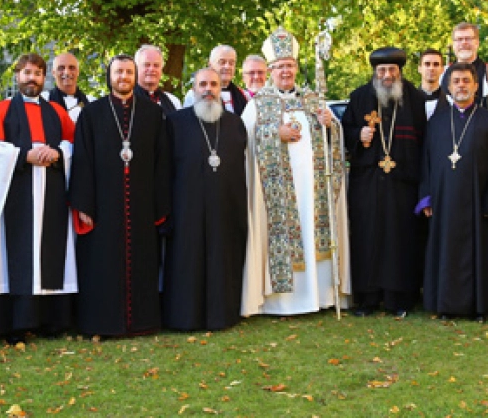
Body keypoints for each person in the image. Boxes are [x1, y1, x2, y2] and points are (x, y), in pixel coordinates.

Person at [0, 53, 77, 344]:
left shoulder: (57, 112)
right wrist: (23, 155)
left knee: (50, 256)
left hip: (50, 195)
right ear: (17, 76)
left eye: (37, 74)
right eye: (26, 73)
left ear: (44, 78)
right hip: (14, 194)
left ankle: (49, 322)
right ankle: (13, 324)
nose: (32, 78)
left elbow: (74, 144)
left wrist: (59, 153)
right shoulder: (1, 110)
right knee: (12, 257)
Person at [241, 27, 351, 316]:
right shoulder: (257, 104)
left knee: (314, 232)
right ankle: (282, 302)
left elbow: (335, 134)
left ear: (296, 67)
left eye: (289, 65)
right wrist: (274, 131)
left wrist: (331, 125)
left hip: (313, 191)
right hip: (276, 195)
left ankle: (320, 296)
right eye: (279, 67)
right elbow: (245, 139)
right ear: (270, 70)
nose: (285, 71)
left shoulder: (313, 99)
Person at [69, 54, 170, 337]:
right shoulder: (92, 113)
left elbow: (162, 161)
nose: (123, 77)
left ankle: (143, 322)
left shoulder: (152, 113)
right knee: (103, 265)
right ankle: (102, 323)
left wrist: (160, 204)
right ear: (109, 76)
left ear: (134, 76)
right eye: (118, 72)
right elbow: (83, 160)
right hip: (103, 204)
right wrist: (84, 203)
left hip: (141, 204)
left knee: (143, 264)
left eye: (128, 72)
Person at [418, 63, 488, 322]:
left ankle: (479, 307)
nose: (461, 85)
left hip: (478, 201)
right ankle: (445, 305)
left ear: (476, 85)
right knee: (446, 252)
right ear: (448, 87)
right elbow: (426, 162)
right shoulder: (437, 122)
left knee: (479, 253)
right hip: (444, 201)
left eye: (466, 81)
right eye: (456, 81)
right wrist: (427, 196)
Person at [341, 47, 427, 317]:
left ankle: (399, 300)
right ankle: (367, 299)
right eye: (382, 70)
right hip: (367, 183)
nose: (387, 75)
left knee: (400, 240)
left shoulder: (415, 98)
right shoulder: (359, 97)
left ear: (400, 72)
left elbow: (426, 141)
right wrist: (358, 135)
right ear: (374, 73)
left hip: (404, 183)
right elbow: (342, 133)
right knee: (367, 238)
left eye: (392, 70)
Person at [163, 67, 247, 331]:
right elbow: (164, 169)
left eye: (213, 84)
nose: (208, 89)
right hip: (186, 207)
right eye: (202, 84)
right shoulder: (175, 122)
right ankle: (185, 318)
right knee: (188, 262)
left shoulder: (234, 123)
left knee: (221, 259)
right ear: (194, 88)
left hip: (224, 207)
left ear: (221, 88)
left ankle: (221, 316)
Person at [183, 45, 251, 114]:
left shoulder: (245, 96)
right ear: (210, 65)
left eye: (231, 63)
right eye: (222, 62)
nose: (227, 67)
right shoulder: (195, 95)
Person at [41, 52, 94, 123]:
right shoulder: (43, 100)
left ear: (78, 72)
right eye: (61, 68)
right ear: (53, 73)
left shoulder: (91, 102)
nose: (67, 72)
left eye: (71, 68)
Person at [440, 23, 488, 99]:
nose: (464, 42)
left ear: (477, 42)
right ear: (453, 44)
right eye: (459, 39)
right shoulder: (441, 73)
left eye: (468, 38)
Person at [134, 44, 182, 115]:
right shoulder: (126, 100)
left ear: (161, 70)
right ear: (136, 68)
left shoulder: (173, 101)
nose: (151, 69)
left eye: (156, 65)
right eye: (146, 64)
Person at [417, 48, 447, 119]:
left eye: (436, 64)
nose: (431, 68)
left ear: (442, 69)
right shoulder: (409, 101)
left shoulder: (451, 103)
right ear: (419, 69)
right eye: (427, 64)